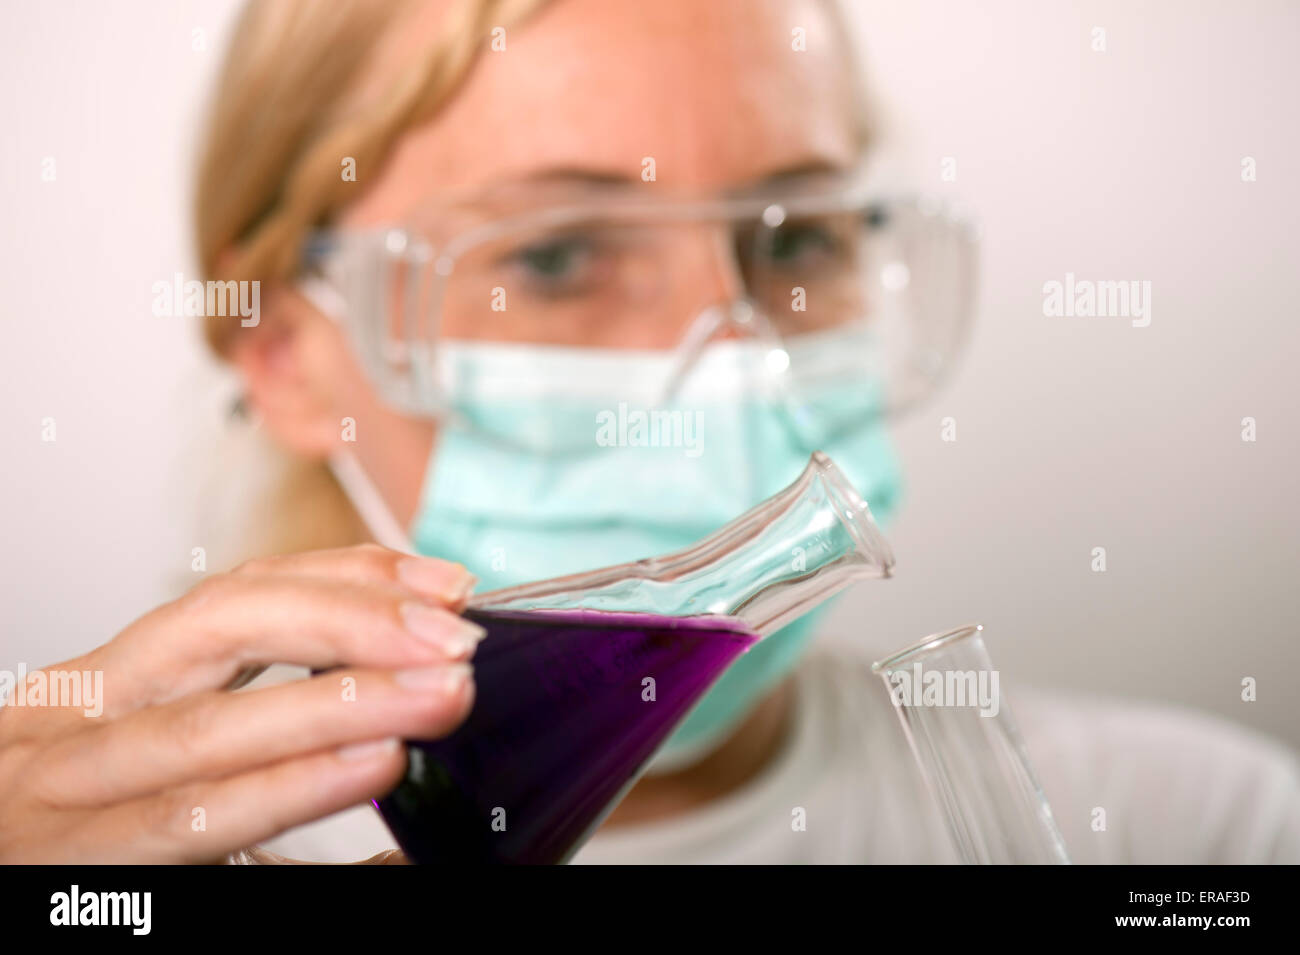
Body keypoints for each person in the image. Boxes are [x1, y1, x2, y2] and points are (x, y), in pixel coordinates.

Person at [2, 0, 1296, 865]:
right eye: (559, 256)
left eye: (795, 240)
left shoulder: (1187, 834)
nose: (729, 373)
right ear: (285, 353)